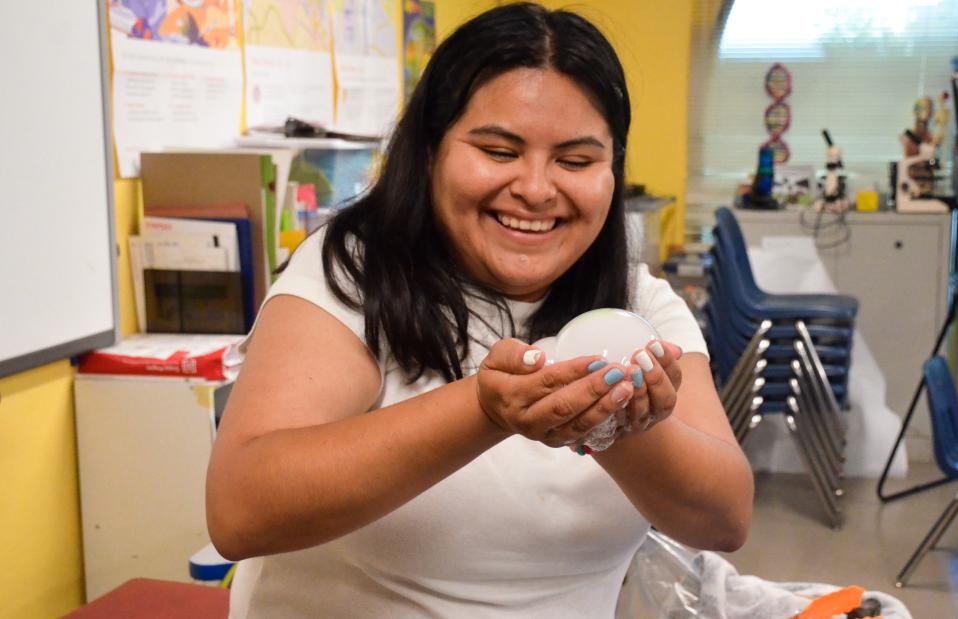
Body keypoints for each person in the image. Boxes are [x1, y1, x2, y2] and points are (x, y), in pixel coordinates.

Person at [206, 3, 754, 617]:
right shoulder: (352, 274)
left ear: (612, 172)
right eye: (499, 151)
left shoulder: (639, 303)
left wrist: (616, 423)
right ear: (432, 150)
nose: (537, 188)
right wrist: (484, 410)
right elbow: (240, 511)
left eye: (575, 161)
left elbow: (725, 519)